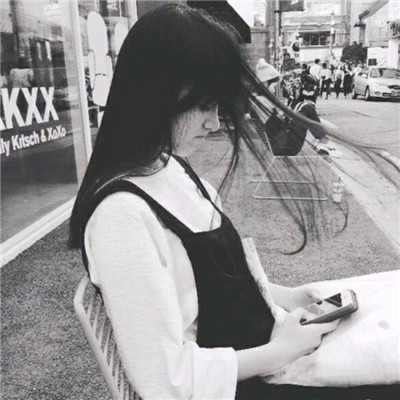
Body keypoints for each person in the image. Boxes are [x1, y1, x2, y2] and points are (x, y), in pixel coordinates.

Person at [70, 4, 398, 399]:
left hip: (267, 355)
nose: (214, 124)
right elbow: (166, 381)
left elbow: (220, 281)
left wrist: (288, 296)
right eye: (204, 105)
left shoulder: (172, 170)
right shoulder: (121, 217)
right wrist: (279, 352)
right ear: (156, 97)